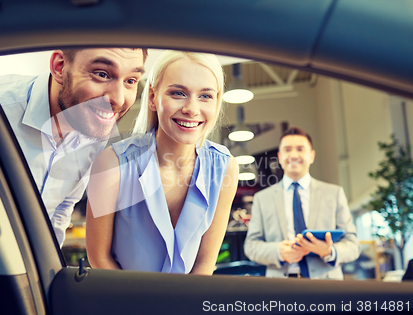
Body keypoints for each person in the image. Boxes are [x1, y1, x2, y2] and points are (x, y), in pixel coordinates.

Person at [85, 50, 239, 275]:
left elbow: (205, 263)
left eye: (205, 96)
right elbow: (99, 258)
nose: (192, 109)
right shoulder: (112, 163)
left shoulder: (225, 167)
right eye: (178, 93)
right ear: (152, 97)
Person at [0, 48, 147, 246]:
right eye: (101, 74)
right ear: (60, 67)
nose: (119, 99)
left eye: (131, 80)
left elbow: (60, 209)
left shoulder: (93, 127)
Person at [244, 127, 360, 279]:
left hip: (326, 286)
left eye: (300, 149)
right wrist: (278, 251)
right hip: (280, 286)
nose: (293, 155)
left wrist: (328, 251)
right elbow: (251, 246)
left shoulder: (334, 194)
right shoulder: (262, 198)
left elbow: (353, 245)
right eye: (287, 149)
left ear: (311, 156)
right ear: (279, 157)